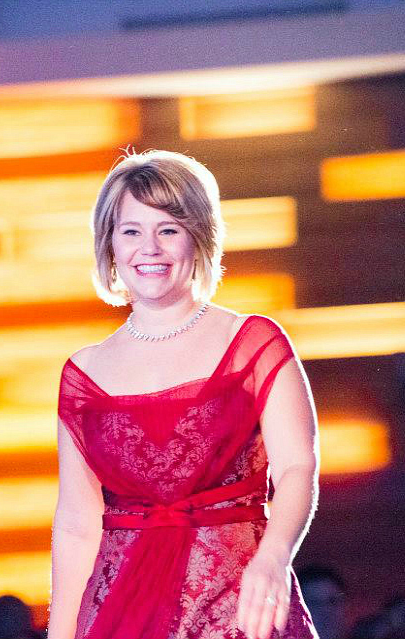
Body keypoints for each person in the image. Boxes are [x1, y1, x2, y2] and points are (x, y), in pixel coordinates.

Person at [50, 149, 320, 639]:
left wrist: (275, 555)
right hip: (120, 612)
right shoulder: (83, 374)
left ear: (198, 240)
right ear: (109, 245)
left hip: (236, 601)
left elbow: (296, 467)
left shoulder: (252, 344)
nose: (148, 248)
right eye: (131, 231)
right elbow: (76, 523)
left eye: (168, 230)